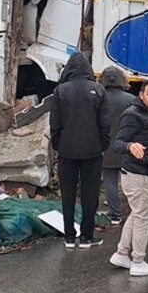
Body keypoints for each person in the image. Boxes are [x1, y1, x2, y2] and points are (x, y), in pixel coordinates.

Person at [48, 52, 110, 248]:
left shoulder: (59, 91)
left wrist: (58, 144)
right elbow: (105, 123)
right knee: (90, 193)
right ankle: (86, 236)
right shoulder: (98, 90)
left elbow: (55, 124)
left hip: (67, 150)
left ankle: (68, 236)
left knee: (67, 193)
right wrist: (102, 144)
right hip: (92, 150)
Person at [108, 79, 148, 277]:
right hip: (137, 174)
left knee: (136, 214)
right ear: (141, 95)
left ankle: (121, 254)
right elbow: (117, 143)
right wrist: (130, 146)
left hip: (146, 172)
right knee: (143, 217)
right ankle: (138, 261)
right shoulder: (133, 115)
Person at [98, 66, 133, 226]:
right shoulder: (131, 99)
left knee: (110, 182)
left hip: (106, 147)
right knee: (131, 182)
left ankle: (115, 214)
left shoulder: (98, 98)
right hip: (127, 148)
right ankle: (135, 212)